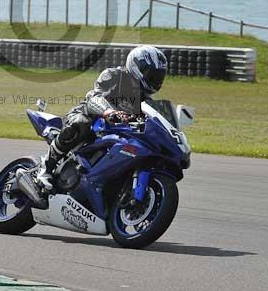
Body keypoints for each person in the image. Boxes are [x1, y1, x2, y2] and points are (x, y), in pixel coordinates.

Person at [25, 44, 168, 192]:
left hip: (116, 134)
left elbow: (150, 121)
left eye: (159, 76)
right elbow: (94, 97)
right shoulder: (114, 76)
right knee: (82, 123)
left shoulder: (146, 101)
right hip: (88, 118)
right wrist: (108, 112)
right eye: (151, 74)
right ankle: (46, 167)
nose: (155, 79)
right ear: (137, 67)